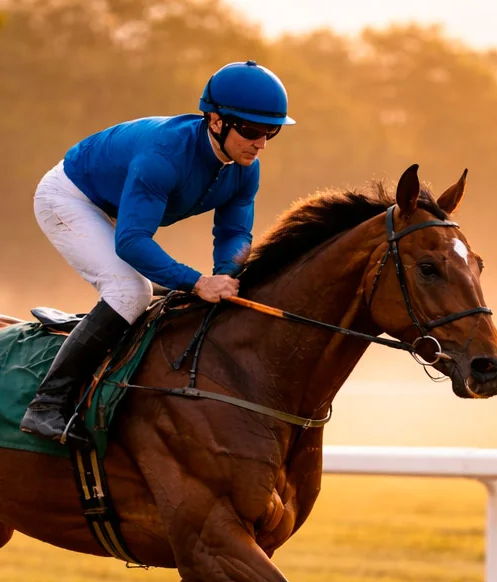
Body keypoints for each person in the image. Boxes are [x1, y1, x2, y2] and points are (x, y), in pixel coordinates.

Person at [20, 60, 296, 442]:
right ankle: (46, 405)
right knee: (130, 290)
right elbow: (132, 241)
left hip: (119, 202)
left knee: (172, 291)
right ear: (216, 121)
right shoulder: (164, 157)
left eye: (272, 132)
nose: (260, 142)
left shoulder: (245, 166)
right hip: (71, 197)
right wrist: (197, 281)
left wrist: (227, 276)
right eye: (251, 130)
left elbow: (234, 231)